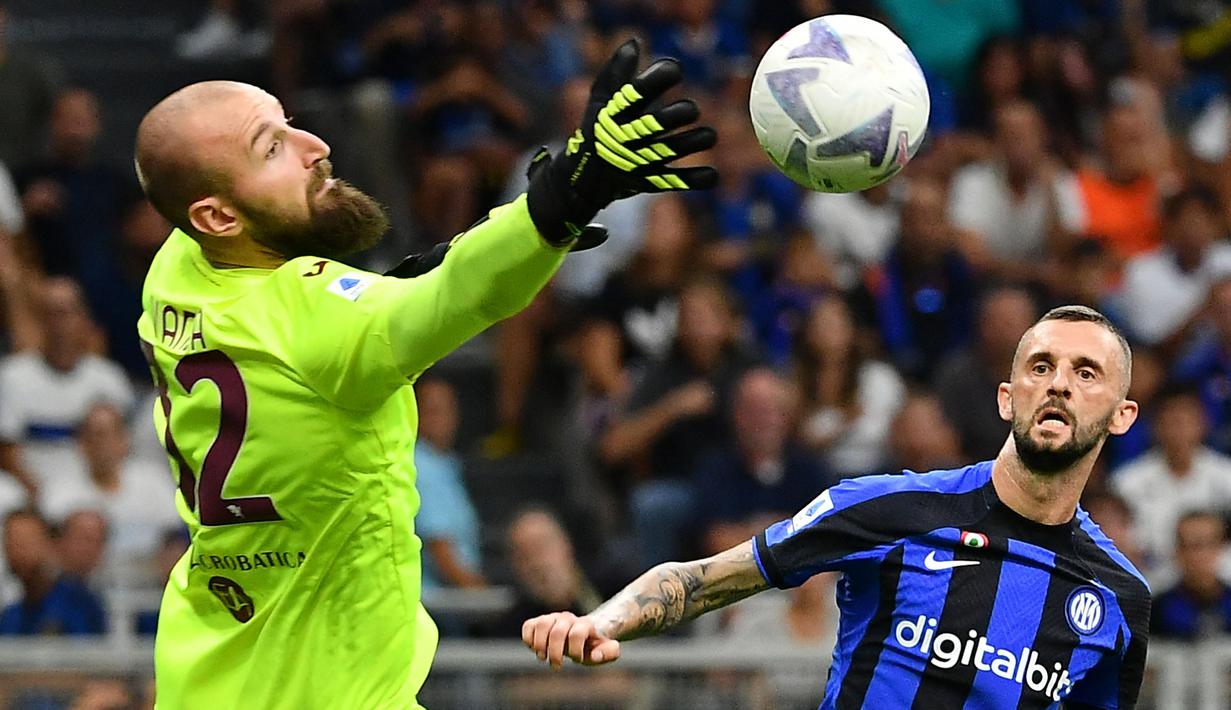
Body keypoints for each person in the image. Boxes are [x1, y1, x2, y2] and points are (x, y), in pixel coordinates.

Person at [132, 40, 716, 709]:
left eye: (290, 121)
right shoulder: (318, 325)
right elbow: (457, 297)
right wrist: (558, 202)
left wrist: (446, 262)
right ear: (219, 216)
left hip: (206, 678)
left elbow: (367, 301)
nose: (314, 144)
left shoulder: (176, 270)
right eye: (272, 149)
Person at [524, 305, 1151, 709]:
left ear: (1122, 416)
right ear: (1007, 399)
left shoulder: (1120, 599)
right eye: (1042, 366)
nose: (1061, 383)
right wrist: (598, 623)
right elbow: (702, 580)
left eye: (1087, 372)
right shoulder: (891, 508)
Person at [1112, 385, 1231, 580]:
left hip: (1220, 585)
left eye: (1186, 420)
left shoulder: (1226, 476)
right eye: (1171, 421)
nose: (1179, 429)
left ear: (1203, 422)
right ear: (1154, 425)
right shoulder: (1127, 483)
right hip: (1153, 584)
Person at [413, 378, 485, 590]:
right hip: (439, 605)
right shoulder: (422, 466)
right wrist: (480, 596)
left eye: (447, 409)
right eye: (432, 410)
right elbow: (440, 547)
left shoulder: (444, 463)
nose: (441, 419)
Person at [0, 509, 106, 636]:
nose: (19, 552)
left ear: (50, 545)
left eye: (27, 541)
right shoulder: (10, 616)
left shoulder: (79, 603)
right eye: (12, 541)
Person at [1150, 510, 1231, 640]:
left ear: (1220, 548)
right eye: (1189, 545)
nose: (1197, 555)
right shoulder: (1157, 610)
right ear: (1177, 551)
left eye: (1205, 544)